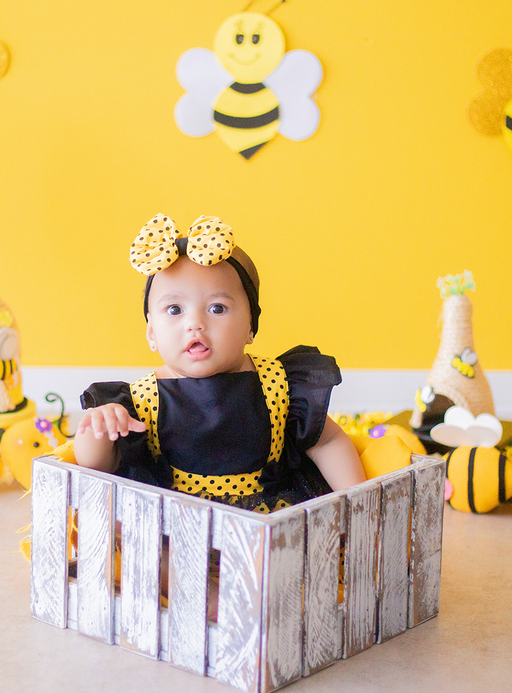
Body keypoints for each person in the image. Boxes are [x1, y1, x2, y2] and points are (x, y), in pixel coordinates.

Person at [73, 213, 366, 513]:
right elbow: (97, 464)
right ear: (151, 334)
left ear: (250, 326)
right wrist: (100, 429)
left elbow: (326, 441)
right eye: (174, 309)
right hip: (178, 524)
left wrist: (357, 500)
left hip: (265, 517)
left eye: (217, 308)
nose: (195, 324)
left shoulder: (280, 383)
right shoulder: (140, 400)